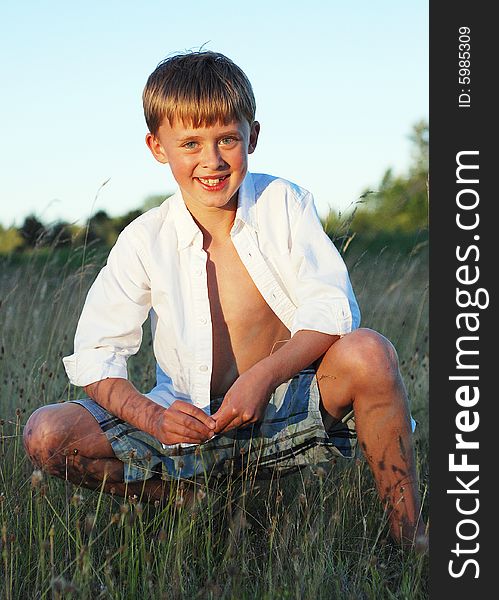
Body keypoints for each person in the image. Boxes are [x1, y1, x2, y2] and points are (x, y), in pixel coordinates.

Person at [23, 51, 426, 546]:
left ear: (252, 136)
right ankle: (185, 501)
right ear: (157, 146)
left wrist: (263, 376)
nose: (211, 161)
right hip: (187, 420)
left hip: (283, 409)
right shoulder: (144, 239)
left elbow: (333, 309)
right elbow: (96, 356)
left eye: (227, 140)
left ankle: (411, 537)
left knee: (369, 350)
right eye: (190, 143)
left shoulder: (284, 203)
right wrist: (155, 418)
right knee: (46, 432)